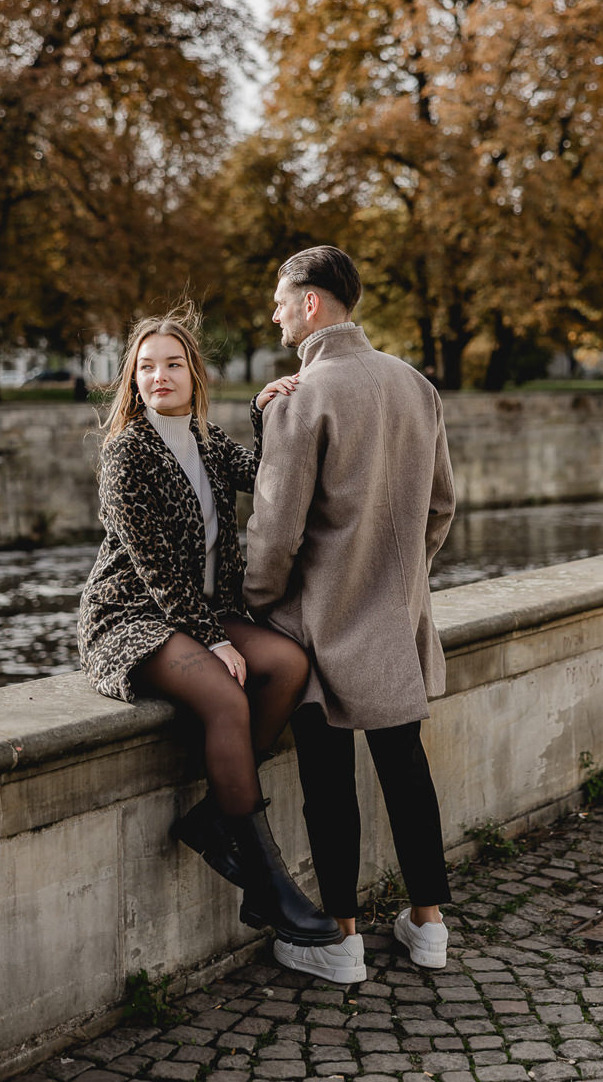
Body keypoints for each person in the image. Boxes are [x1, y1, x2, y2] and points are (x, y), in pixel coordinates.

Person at [78, 307, 341, 949]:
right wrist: (214, 639)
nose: (159, 376)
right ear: (132, 380)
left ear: (194, 375)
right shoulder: (127, 454)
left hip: (204, 612)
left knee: (288, 664)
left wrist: (265, 411)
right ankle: (268, 884)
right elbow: (155, 569)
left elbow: (268, 480)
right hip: (133, 616)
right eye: (146, 367)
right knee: (226, 697)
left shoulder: (207, 440)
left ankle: (216, 818)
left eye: (173, 364)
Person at [243, 246, 455, 985]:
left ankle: (341, 940)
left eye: (280, 301)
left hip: (319, 620)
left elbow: (275, 533)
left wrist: (259, 604)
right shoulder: (415, 383)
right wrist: (401, 580)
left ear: (311, 303)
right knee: (406, 768)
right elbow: (441, 506)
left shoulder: (304, 395)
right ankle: (429, 924)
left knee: (328, 780)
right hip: (395, 613)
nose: (274, 316)